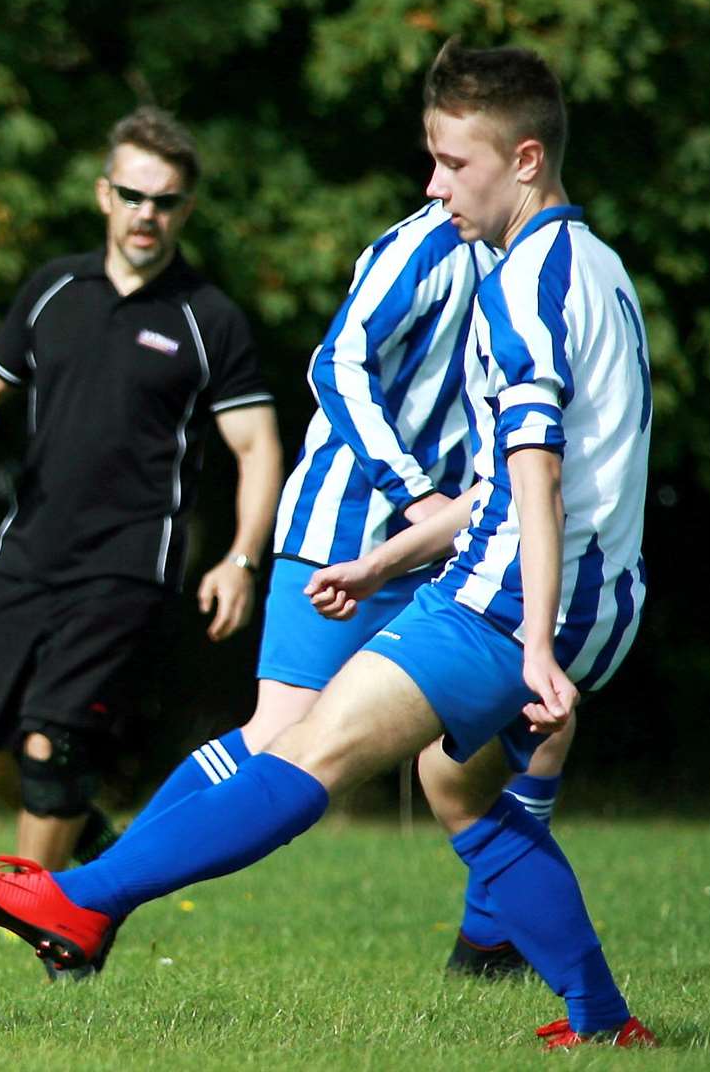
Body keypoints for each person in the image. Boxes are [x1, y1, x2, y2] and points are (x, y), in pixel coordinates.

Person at [0, 40, 656, 1049]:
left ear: (523, 159)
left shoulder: (523, 280)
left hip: (508, 596)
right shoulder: (600, 268)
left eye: (452, 163)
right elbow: (506, 478)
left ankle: (80, 898)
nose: (432, 185)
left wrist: (527, 636)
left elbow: (529, 465)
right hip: (585, 590)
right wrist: (389, 557)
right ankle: (603, 1022)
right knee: (461, 791)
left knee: (303, 746)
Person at [128, 195, 577, 979]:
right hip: (351, 528)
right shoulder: (422, 247)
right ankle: (95, 898)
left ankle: (489, 939)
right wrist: (414, 498)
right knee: (279, 736)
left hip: (467, 540)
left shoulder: (548, 264)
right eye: (435, 158)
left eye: (454, 160)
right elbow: (334, 365)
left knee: (541, 717)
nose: (437, 183)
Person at [0, 107, 281, 904]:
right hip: (26, 549)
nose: (145, 215)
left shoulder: (207, 319)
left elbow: (257, 448)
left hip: (129, 562)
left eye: (163, 202)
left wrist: (239, 560)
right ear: (103, 195)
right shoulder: (53, 288)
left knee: (51, 744)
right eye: (131, 195)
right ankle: (94, 855)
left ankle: (39, 917)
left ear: (185, 211)